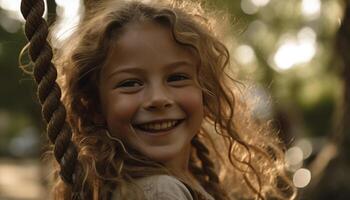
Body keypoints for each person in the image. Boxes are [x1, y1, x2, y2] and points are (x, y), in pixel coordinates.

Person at [27, 0, 296, 199]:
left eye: (177, 78)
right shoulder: (159, 192)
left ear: (205, 90)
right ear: (95, 105)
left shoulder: (171, 183)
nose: (158, 99)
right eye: (130, 83)